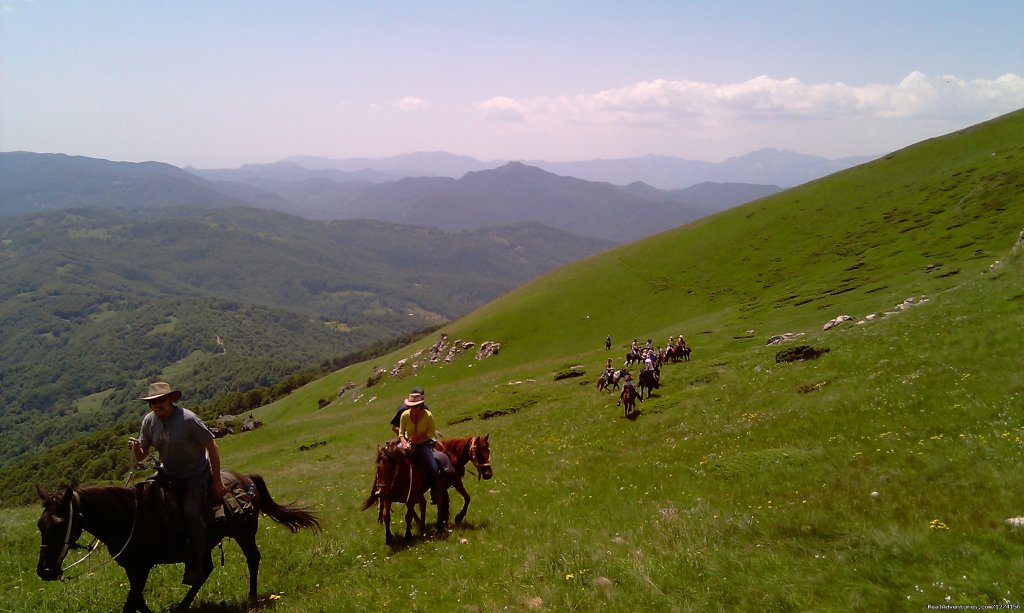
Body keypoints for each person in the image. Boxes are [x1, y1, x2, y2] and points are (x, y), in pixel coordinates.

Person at [128, 381, 227, 586]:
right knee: (144, 500)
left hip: (195, 474)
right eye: (152, 403)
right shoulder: (149, 421)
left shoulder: (189, 419)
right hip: (169, 472)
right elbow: (141, 455)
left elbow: (212, 446)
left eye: (160, 401)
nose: (156, 406)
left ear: (171, 399)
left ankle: (197, 562)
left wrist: (216, 480)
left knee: (191, 513)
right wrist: (136, 449)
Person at [397, 390, 445, 505]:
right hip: (407, 444)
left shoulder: (428, 415)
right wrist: (404, 443)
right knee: (392, 460)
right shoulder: (404, 415)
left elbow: (431, 432)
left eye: (415, 406)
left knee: (434, 468)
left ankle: (435, 493)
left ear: (420, 406)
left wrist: (419, 438)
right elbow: (401, 433)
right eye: (410, 406)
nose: (412, 408)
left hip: (423, 444)